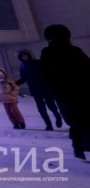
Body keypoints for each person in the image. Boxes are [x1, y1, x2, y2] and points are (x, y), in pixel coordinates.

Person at [40, 24, 90, 159]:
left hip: (70, 93)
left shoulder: (50, 53)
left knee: (78, 120)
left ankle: (79, 147)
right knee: (79, 120)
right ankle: (80, 146)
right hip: (72, 92)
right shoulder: (71, 51)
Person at [15, 49, 63, 131]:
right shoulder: (22, 66)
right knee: (41, 109)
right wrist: (14, 83)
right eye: (22, 56)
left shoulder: (38, 63)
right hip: (35, 90)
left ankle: (57, 116)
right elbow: (24, 78)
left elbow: (48, 73)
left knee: (51, 106)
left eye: (25, 55)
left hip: (45, 88)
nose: (24, 57)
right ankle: (48, 125)